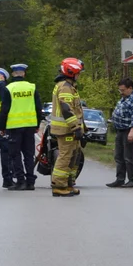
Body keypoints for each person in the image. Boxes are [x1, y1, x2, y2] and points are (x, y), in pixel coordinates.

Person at [0, 63, 44, 191]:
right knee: (29, 154)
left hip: (14, 126)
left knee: (15, 154)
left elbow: (5, 109)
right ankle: (30, 182)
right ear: (24, 73)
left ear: (13, 74)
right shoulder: (31, 87)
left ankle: (20, 181)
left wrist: (2, 127)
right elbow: (38, 108)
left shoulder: (9, 88)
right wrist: (37, 124)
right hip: (29, 125)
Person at [49, 57, 85, 197]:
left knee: (73, 156)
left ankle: (68, 183)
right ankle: (59, 185)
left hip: (70, 128)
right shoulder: (65, 87)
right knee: (65, 156)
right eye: (78, 73)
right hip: (66, 129)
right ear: (71, 72)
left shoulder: (69, 86)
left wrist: (82, 129)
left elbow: (76, 110)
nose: (79, 75)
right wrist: (76, 127)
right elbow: (67, 109)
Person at [107, 77, 133, 188]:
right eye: (120, 90)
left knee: (129, 156)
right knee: (119, 156)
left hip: (129, 130)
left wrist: (132, 131)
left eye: (123, 90)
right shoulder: (124, 99)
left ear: (130, 88)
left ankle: (132, 180)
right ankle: (120, 179)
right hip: (120, 130)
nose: (121, 92)